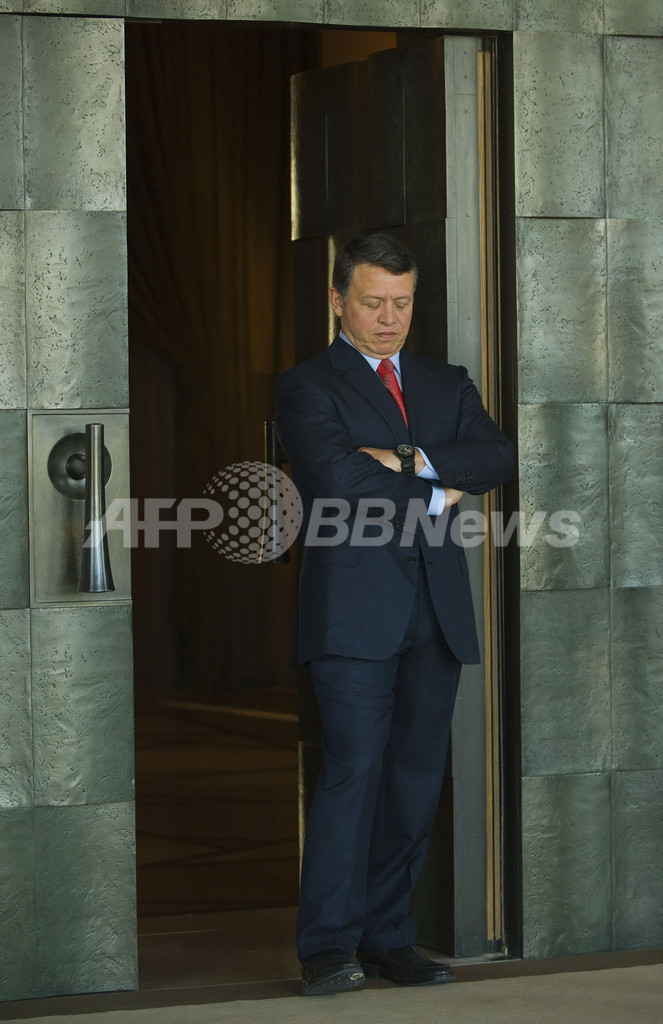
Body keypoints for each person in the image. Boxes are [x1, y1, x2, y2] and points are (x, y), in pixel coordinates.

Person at [274, 232, 514, 996]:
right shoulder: (306, 386)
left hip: (435, 612)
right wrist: (442, 483)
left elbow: (498, 457)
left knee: (413, 783)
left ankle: (387, 940)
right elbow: (337, 478)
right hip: (351, 614)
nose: (388, 319)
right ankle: (327, 949)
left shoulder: (447, 382)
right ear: (337, 300)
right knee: (351, 775)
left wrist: (403, 458)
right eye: (373, 302)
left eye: (402, 303)